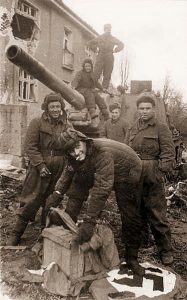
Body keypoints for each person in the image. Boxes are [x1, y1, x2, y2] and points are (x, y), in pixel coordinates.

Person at [45, 128, 145, 275]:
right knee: (79, 180)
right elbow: (68, 173)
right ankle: (69, 220)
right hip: (106, 167)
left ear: (84, 141)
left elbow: (101, 190)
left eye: (77, 147)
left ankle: (132, 257)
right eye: (71, 151)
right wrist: (56, 194)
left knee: (128, 212)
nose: (76, 153)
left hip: (128, 171)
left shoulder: (102, 154)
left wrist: (89, 221)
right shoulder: (76, 154)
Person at [7, 92, 72, 246]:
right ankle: (16, 234)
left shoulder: (67, 125)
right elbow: (30, 147)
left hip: (59, 168)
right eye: (52, 106)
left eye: (58, 106)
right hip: (39, 168)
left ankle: (45, 236)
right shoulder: (37, 122)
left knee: (52, 201)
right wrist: (41, 166)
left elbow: (71, 145)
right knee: (31, 200)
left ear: (62, 108)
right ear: (47, 108)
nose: (56, 109)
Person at [126, 92, 175, 265]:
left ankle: (165, 250)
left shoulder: (161, 127)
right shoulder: (133, 128)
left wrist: (160, 170)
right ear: (137, 109)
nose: (144, 111)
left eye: (147, 108)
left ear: (153, 109)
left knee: (157, 213)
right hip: (135, 174)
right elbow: (126, 150)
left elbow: (169, 153)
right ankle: (142, 241)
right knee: (137, 210)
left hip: (153, 172)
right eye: (141, 108)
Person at [88, 23, 124, 89]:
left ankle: (104, 89)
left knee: (107, 73)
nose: (108, 30)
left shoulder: (113, 38)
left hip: (109, 56)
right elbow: (90, 43)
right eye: (107, 28)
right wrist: (95, 49)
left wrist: (115, 50)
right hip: (101, 55)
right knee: (96, 72)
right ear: (104, 29)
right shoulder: (100, 38)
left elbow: (121, 45)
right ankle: (92, 87)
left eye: (109, 28)